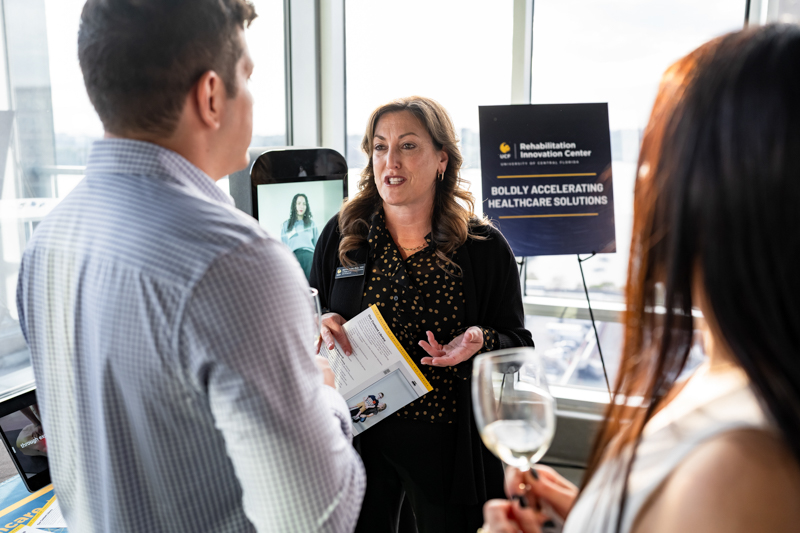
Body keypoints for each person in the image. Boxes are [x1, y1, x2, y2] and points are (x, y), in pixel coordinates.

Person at [16, 1, 364, 531]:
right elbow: (315, 518)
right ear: (209, 96)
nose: (251, 96)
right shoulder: (236, 260)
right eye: (245, 77)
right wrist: (323, 394)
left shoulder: (49, 241)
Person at [482, 24, 800, 533]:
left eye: (660, 153)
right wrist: (595, 514)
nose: (622, 179)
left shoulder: (735, 473)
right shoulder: (738, 372)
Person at [310, 96, 534, 533]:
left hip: (445, 442)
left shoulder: (483, 249)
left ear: (441, 160)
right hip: (359, 435)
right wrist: (318, 325)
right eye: (379, 147)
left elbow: (518, 343)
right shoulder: (344, 235)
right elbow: (310, 318)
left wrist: (479, 340)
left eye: (408, 146)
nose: (390, 161)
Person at [281, 193, 319, 278]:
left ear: (307, 206)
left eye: (304, 204)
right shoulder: (286, 225)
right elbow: (283, 246)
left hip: (309, 257)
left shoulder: (311, 224)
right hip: (294, 258)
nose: (301, 206)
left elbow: (317, 245)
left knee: (311, 283)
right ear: (294, 206)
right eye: (298, 203)